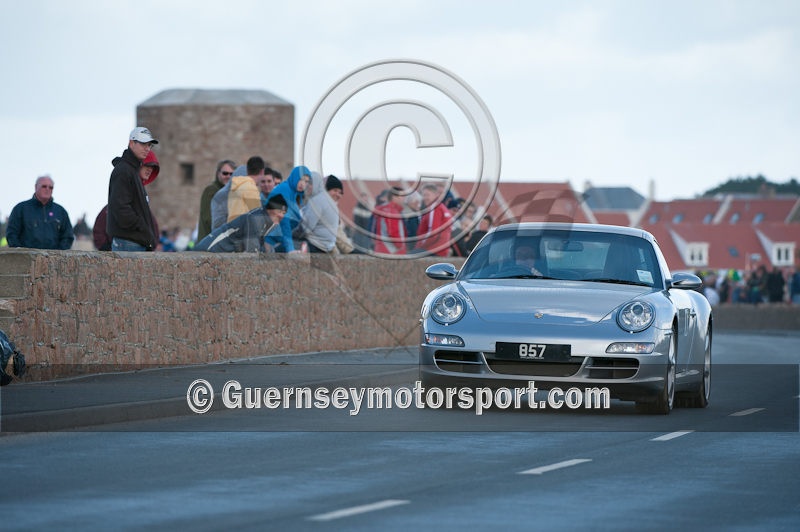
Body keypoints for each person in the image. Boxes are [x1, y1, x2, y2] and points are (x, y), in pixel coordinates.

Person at [95, 150, 161, 251]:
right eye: (147, 165)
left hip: (138, 245)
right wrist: (106, 249)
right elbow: (120, 210)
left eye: (153, 167)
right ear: (139, 165)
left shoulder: (140, 192)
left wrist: (151, 241)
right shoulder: (123, 176)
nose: (150, 169)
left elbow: (150, 222)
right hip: (128, 245)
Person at [107, 127, 159, 251]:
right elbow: (121, 209)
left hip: (133, 242)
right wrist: (142, 228)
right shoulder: (124, 171)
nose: (147, 148)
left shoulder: (132, 171)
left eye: (149, 145)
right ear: (131, 143)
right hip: (128, 243)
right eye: (143, 144)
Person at [193, 195, 287, 253]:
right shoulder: (256, 219)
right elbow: (252, 250)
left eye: (284, 213)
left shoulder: (269, 223)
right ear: (270, 210)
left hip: (222, 253)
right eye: (279, 211)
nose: (281, 216)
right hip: (212, 248)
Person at [6, 175, 74, 250]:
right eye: (44, 186)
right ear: (36, 187)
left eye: (51, 187)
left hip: (53, 259)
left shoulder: (61, 212)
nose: (47, 189)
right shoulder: (20, 209)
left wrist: (58, 255)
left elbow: (68, 236)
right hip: (27, 259)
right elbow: (12, 234)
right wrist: (21, 253)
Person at [265, 165, 312, 253]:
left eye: (306, 181)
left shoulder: (295, 194)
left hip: (279, 239)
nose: (303, 184)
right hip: (269, 240)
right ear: (295, 177)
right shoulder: (285, 189)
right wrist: (290, 249)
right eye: (301, 179)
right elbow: (284, 221)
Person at [299, 174, 343, 253]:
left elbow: (305, 228)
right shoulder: (330, 204)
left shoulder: (318, 201)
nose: (307, 186)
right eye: (335, 190)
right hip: (327, 247)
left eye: (310, 184)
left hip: (316, 246)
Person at [197, 159, 236, 241]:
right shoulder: (211, 190)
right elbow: (209, 218)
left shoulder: (233, 192)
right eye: (225, 173)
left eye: (231, 174)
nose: (228, 176)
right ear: (218, 173)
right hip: (209, 241)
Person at [415, 183, 452, 256]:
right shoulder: (442, 207)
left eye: (427, 195)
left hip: (432, 249)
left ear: (436, 195)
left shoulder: (434, 208)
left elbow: (433, 233)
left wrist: (419, 246)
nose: (425, 198)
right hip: (441, 249)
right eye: (424, 195)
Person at [372, 186, 407, 255]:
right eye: (402, 196)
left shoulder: (384, 209)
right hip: (391, 251)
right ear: (394, 197)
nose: (404, 199)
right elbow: (393, 232)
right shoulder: (391, 211)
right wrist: (400, 246)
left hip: (382, 248)